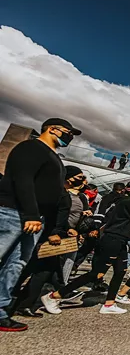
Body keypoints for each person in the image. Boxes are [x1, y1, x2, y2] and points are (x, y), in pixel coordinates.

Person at [0, 118, 81, 331]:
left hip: (36, 220)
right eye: (68, 132)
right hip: (14, 214)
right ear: (52, 129)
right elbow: (23, 181)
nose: (69, 137)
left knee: (16, 264)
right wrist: (31, 214)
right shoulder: (31, 148)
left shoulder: (54, 157)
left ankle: (1, 310)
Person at [41, 180, 130, 315]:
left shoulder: (122, 202)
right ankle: (54, 296)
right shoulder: (126, 202)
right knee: (97, 273)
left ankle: (109, 303)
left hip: (121, 240)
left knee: (120, 271)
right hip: (113, 239)